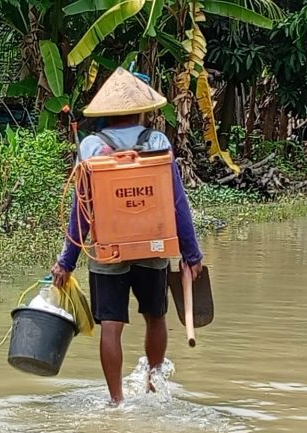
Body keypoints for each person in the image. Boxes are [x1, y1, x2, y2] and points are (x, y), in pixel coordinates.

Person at [50, 67, 203, 406]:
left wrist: (67, 261)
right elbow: (176, 202)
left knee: (112, 326)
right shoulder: (158, 142)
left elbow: (82, 207)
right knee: (156, 316)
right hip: (153, 245)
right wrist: (191, 254)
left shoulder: (91, 146)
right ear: (141, 109)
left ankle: (116, 400)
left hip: (109, 249)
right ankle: (152, 383)